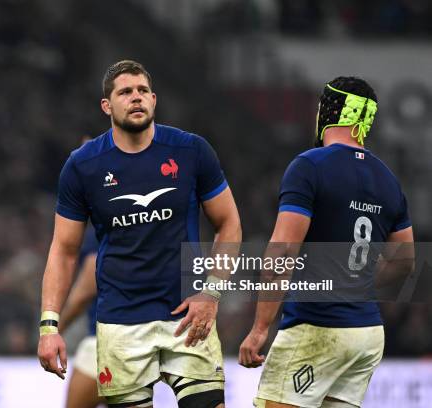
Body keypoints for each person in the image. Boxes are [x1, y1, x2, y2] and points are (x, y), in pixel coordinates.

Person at [38, 60, 242, 408]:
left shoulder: (191, 150)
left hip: (187, 316)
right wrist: (49, 326)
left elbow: (230, 223)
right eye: (126, 92)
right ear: (107, 105)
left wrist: (212, 293)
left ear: (154, 99)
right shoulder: (82, 165)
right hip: (121, 322)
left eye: (142, 91)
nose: (136, 98)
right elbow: (64, 249)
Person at [239, 77, 414, 408]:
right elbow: (406, 262)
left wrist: (260, 328)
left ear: (329, 112)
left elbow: (282, 250)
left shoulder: (309, 165)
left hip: (316, 328)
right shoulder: (388, 179)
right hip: (366, 334)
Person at [59, 226, 106, 408]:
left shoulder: (106, 222)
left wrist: (54, 329)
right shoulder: (171, 224)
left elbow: (87, 284)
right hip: (147, 339)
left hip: (105, 343)